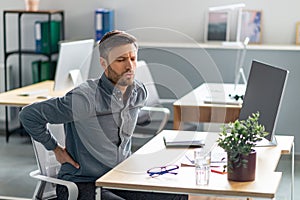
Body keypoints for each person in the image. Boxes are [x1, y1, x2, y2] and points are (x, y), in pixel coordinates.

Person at [19, 30, 188, 200]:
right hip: (83, 184)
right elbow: (29, 115)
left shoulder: (138, 92)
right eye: (121, 60)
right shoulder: (84, 99)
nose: (129, 66)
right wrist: (54, 147)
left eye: (133, 58)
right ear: (103, 63)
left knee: (179, 196)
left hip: (119, 178)